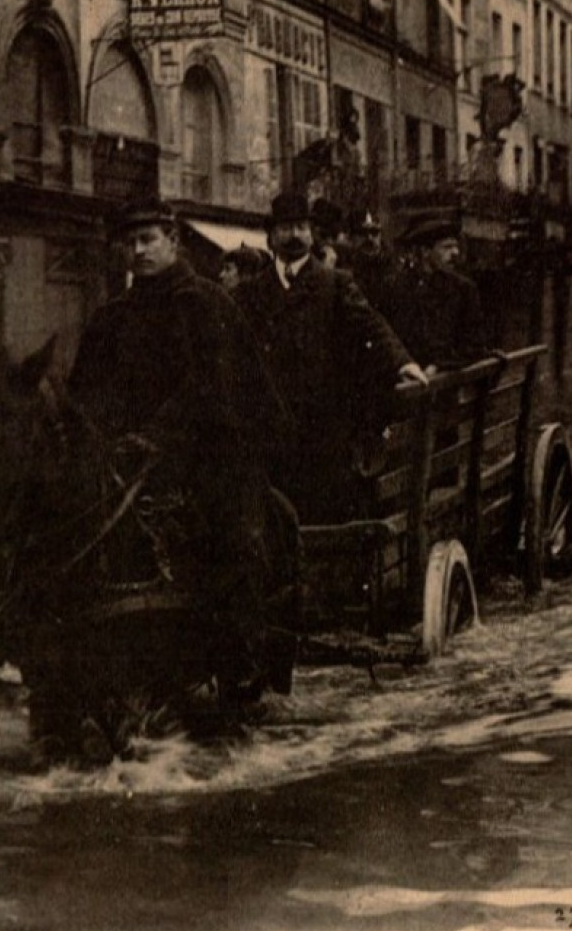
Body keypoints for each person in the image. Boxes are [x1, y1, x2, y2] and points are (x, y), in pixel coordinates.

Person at [66, 196, 295, 686]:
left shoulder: (207, 304)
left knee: (234, 537)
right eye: (129, 243)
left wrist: (157, 437)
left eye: (148, 239)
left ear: (173, 241)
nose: (138, 251)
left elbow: (209, 388)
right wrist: (101, 439)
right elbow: (85, 394)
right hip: (128, 463)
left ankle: (242, 659)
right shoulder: (110, 318)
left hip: (211, 455)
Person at [234, 191, 426, 523]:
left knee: (325, 517)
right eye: (285, 228)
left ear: (311, 234)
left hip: (322, 432)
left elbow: (371, 324)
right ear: (271, 236)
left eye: (301, 228)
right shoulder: (251, 292)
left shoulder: (334, 284)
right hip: (270, 431)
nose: (294, 236)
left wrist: (403, 362)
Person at [392, 215, 488, 373]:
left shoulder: (464, 289)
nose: (455, 252)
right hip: (407, 377)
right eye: (447, 247)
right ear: (425, 252)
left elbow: (474, 346)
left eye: (456, 246)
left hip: (446, 380)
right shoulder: (400, 287)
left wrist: (439, 365)